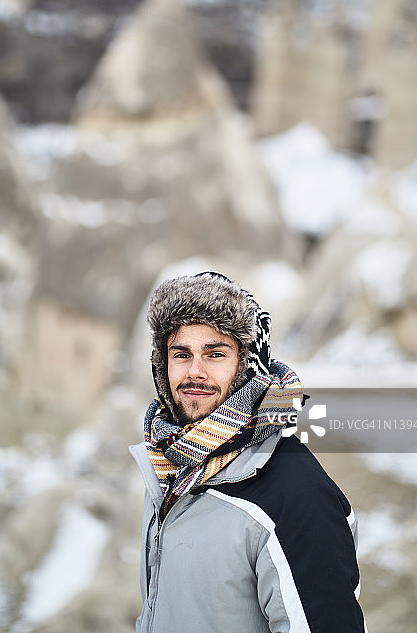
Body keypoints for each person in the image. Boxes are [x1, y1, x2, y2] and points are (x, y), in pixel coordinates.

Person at [130, 271, 366, 633]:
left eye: (215, 354)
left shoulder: (296, 496)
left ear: (246, 366)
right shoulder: (167, 469)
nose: (195, 372)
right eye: (181, 354)